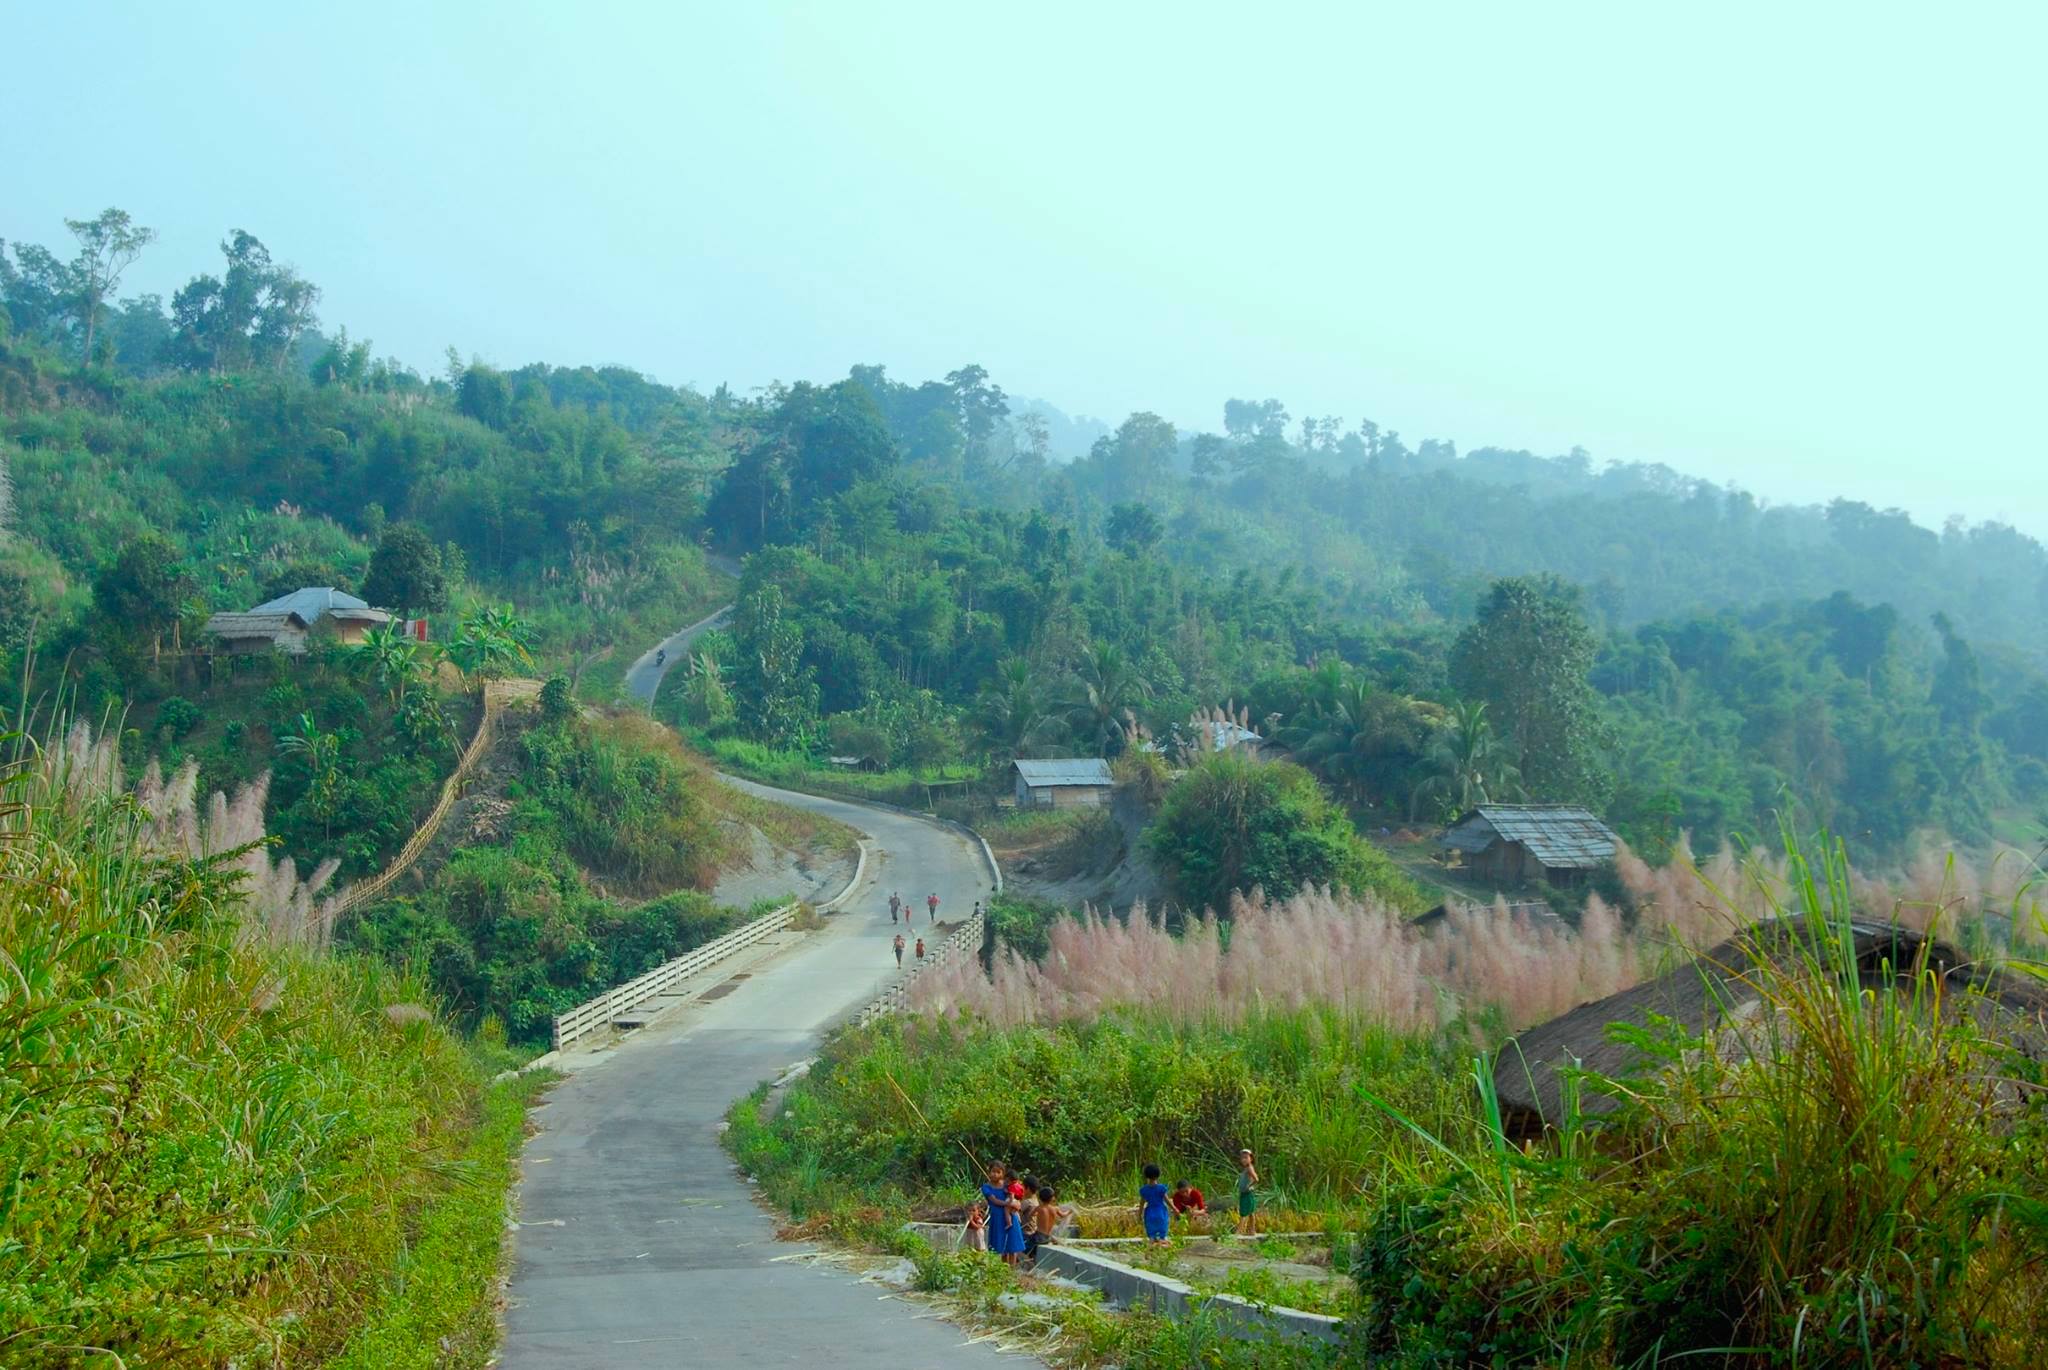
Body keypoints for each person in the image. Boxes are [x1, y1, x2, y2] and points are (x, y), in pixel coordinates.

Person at [981, 1162, 1023, 1267]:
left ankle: (1012, 1270)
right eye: (993, 1171)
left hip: (1010, 1216)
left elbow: (1018, 1194)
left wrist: (1016, 1204)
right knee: (1001, 1246)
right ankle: (1004, 1269)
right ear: (989, 1172)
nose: (995, 1174)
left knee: (1012, 1244)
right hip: (997, 1217)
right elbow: (993, 1200)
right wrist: (1008, 1204)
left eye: (998, 1172)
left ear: (1003, 1173)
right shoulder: (986, 1187)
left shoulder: (1007, 1184)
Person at [1138, 1163, 1171, 1245]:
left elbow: (1141, 1204)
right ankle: (1162, 1248)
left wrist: (1139, 1215)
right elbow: (1167, 1201)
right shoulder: (1161, 1188)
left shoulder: (1144, 1190)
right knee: (1162, 1236)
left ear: (1146, 1176)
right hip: (1161, 1212)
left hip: (1149, 1213)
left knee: (1152, 1237)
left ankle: (1149, 1253)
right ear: (1158, 1175)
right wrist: (1175, 1209)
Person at [1235, 1149, 1260, 1237]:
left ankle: (1239, 1231)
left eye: (1246, 1158)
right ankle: (1252, 1231)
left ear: (1251, 1159)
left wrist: (1249, 1186)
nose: (1244, 1160)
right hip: (1245, 1193)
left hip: (1247, 1193)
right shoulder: (1246, 1168)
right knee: (1250, 1212)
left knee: (1244, 1212)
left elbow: (1256, 1179)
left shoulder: (1249, 1168)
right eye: (1242, 1158)